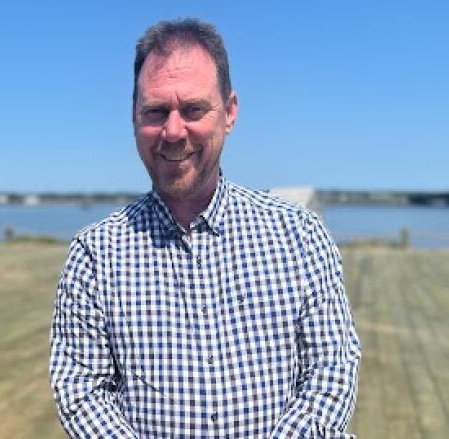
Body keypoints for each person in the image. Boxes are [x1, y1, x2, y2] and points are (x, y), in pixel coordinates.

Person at [50, 18, 361, 438]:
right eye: (156, 111)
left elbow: (332, 369)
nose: (174, 131)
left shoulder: (300, 235)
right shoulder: (95, 254)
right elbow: (80, 389)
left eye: (194, 109)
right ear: (134, 116)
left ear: (229, 112)